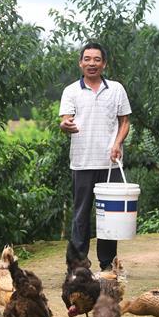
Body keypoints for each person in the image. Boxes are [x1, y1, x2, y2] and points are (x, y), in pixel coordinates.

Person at [59, 42, 131, 271]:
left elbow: (125, 121)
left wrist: (117, 143)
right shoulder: (71, 91)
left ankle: (108, 264)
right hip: (82, 162)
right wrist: (66, 125)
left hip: (110, 162)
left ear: (104, 63)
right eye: (87, 59)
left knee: (110, 216)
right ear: (80, 63)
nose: (92, 63)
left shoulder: (117, 89)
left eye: (96, 59)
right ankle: (78, 264)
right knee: (81, 214)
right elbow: (65, 120)